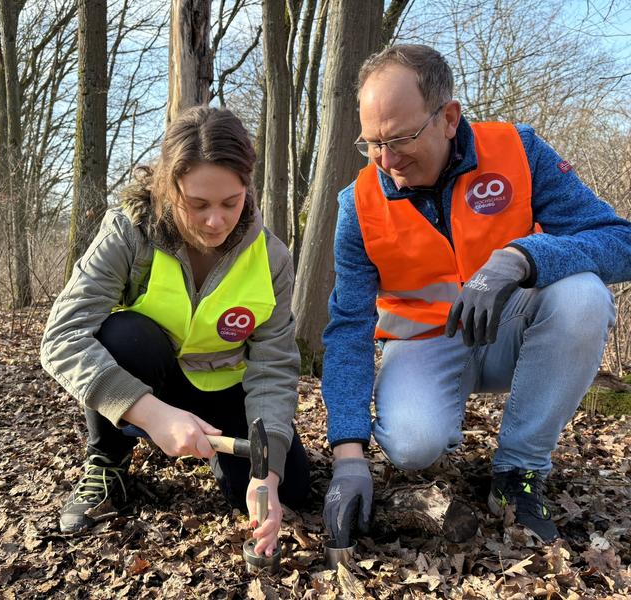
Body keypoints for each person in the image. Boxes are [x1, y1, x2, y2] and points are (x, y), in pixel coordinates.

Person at [322, 44, 631, 545]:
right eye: (372, 143)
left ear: (448, 118)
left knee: (583, 296)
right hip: (425, 342)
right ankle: (438, 424)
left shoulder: (519, 151)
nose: (387, 160)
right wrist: (348, 454)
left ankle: (519, 472)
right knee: (411, 446)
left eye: (400, 138)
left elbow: (620, 241)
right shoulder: (358, 204)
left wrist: (523, 257)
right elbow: (348, 329)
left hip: (514, 331)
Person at [41, 106, 310, 556]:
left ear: (247, 187)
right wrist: (152, 415)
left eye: (231, 202)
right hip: (150, 377)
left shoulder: (273, 259)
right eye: (198, 204)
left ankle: (222, 455)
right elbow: (62, 336)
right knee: (123, 335)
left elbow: (274, 365)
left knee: (295, 487)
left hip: (222, 387)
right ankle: (107, 462)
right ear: (169, 187)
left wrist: (269, 470)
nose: (215, 221)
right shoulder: (130, 233)